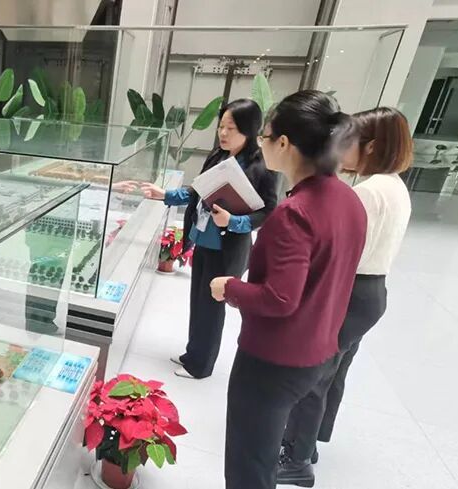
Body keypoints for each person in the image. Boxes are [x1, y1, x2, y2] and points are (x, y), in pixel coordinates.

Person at [208, 90, 367, 489]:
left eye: (265, 136)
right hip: (318, 351)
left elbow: (280, 298)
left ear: (283, 143)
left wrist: (230, 287)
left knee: (249, 465)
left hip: (273, 360)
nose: (262, 144)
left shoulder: (294, 214)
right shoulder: (348, 200)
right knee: (260, 458)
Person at [277, 107, 413, 486]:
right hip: (372, 291)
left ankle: (297, 461)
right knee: (334, 371)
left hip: (351, 290)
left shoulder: (368, 192)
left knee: (314, 375)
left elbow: (341, 253)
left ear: (370, 146)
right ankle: (308, 443)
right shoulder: (393, 185)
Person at [139, 98, 278, 379]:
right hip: (203, 239)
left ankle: (202, 366)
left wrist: (235, 222)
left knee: (212, 307)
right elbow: (198, 190)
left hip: (226, 248)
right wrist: (166, 195)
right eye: (221, 126)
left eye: (231, 128)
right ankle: (193, 353)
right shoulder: (218, 156)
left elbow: (268, 210)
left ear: (249, 129)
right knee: (197, 301)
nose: (223, 133)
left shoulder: (262, 167)